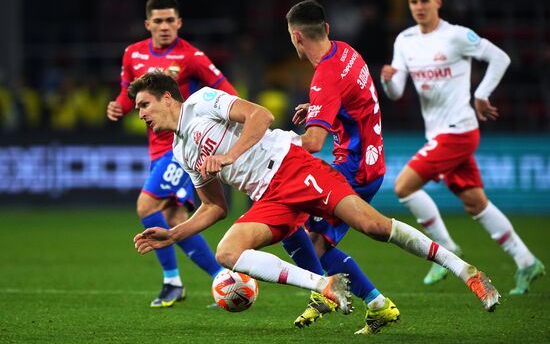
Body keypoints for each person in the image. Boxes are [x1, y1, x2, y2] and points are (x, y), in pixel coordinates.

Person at [130, 72, 501, 329]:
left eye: (144, 105)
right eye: (137, 110)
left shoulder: (202, 101)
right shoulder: (180, 150)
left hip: (291, 166)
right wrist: (174, 233)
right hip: (269, 197)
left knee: (373, 226)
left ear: (167, 97)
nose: (142, 114)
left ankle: (467, 272)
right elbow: (215, 207)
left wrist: (230, 156)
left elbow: (261, 115)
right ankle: (324, 286)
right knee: (228, 253)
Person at [380, 0, 544, 293]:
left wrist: (482, 94)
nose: (419, 7)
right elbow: (397, 91)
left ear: (438, 2)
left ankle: (446, 247)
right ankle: (526, 261)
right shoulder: (405, 41)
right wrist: (388, 80)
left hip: (459, 130)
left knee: (403, 186)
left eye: (425, 1)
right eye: (414, 2)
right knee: (475, 203)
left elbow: (500, 57)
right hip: (438, 133)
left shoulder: (455, 36)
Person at [106, 0, 238, 307]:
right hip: (156, 148)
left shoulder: (191, 56)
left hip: (183, 146)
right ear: (148, 24)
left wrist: (226, 119)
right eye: (159, 21)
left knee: (146, 206)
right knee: (174, 215)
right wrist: (119, 106)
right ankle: (224, 280)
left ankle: (172, 281)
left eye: (170, 21)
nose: (164, 26)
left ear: (178, 23)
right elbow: (130, 94)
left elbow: (227, 91)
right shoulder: (132, 54)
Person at [280, 0, 396, 335]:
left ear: (297, 37)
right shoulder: (345, 51)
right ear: (326, 30)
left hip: (354, 169)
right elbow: (355, 96)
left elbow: (314, 143)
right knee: (315, 239)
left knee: (293, 228)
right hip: (371, 161)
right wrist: (317, 107)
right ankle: (375, 304)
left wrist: (270, 142)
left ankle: (325, 295)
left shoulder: (325, 76)